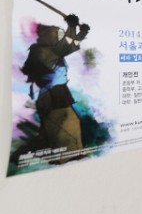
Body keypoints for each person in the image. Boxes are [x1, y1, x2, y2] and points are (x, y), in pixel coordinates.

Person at [20, 15, 91, 160]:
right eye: (58, 35)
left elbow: (70, 44)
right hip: (54, 96)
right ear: (49, 37)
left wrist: (81, 32)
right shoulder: (45, 52)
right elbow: (68, 44)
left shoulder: (43, 51)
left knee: (60, 127)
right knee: (65, 127)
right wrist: (72, 27)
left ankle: (68, 156)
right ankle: (69, 158)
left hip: (52, 95)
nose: (61, 38)